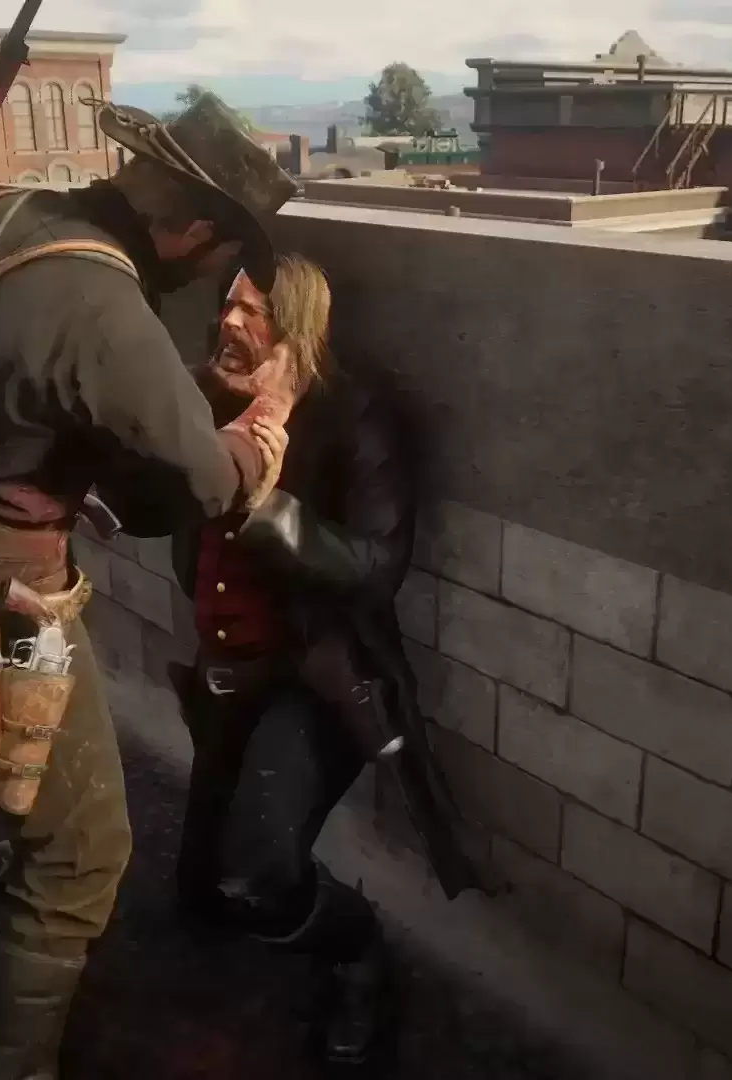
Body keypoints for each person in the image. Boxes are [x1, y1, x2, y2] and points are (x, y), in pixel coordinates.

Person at [0, 93, 303, 1080]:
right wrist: (260, 429)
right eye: (221, 252)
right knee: (83, 855)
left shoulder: (7, 213)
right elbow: (206, 483)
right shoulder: (103, 306)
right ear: (193, 229)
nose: (216, 280)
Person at [140, 253, 480, 1067]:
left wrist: (269, 507)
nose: (227, 321)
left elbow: (375, 565)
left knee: (257, 876)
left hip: (315, 679)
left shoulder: (355, 416)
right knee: (203, 889)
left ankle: (360, 958)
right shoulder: (205, 398)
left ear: (295, 326)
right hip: (225, 673)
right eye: (227, 304)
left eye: (250, 311)